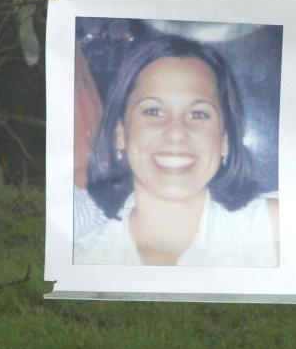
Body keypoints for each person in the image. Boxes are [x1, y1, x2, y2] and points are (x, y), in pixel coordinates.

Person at [74, 34, 279, 266]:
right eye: (153, 111)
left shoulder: (273, 232)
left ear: (225, 140)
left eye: (198, 114)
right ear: (121, 133)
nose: (176, 132)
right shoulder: (81, 257)